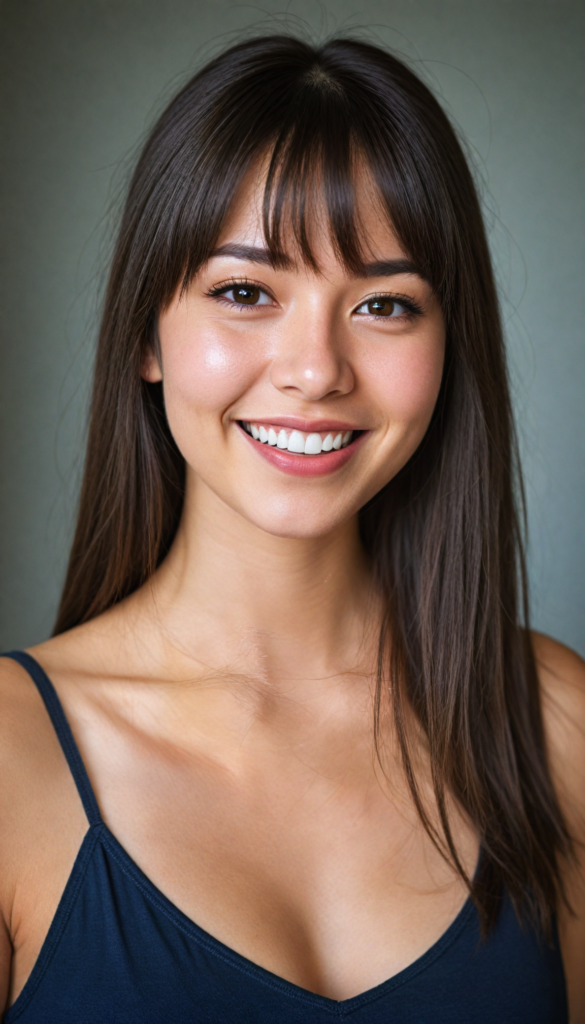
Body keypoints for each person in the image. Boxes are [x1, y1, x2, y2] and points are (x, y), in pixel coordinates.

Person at [0, 33, 583, 1023]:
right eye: (245, 292)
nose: (316, 369)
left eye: (386, 305)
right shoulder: (12, 758)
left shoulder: (559, 723)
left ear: (451, 348)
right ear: (147, 331)